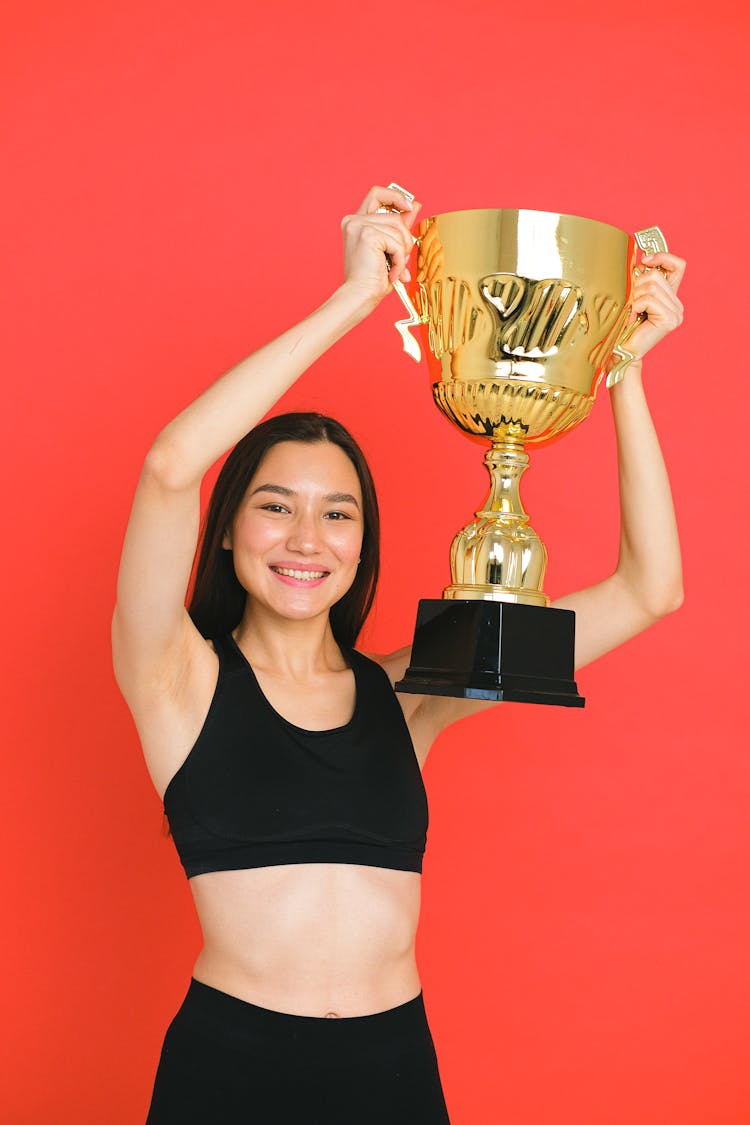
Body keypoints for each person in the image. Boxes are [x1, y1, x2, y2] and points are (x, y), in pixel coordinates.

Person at [112, 185, 685, 1124]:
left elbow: (647, 589)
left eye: (338, 514)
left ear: (363, 544)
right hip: (229, 1072)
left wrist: (621, 370)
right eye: (275, 504)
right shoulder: (175, 676)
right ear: (226, 530)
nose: (307, 537)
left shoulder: (409, 690)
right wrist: (353, 300)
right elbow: (172, 466)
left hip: (392, 1072)